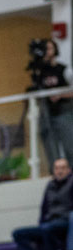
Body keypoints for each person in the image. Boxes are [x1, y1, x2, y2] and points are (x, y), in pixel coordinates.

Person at [12, 158, 73, 250]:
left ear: (69, 170)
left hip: (65, 222)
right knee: (18, 234)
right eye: (57, 168)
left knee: (47, 229)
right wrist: (41, 224)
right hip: (48, 224)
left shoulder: (71, 183)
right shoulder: (50, 185)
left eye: (63, 168)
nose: (60, 171)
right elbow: (44, 208)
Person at [37, 39, 73, 167]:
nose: (47, 51)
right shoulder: (40, 72)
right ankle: (56, 173)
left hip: (63, 111)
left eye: (50, 48)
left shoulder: (63, 69)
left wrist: (60, 95)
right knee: (52, 149)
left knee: (69, 145)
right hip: (47, 114)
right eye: (45, 49)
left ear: (55, 50)